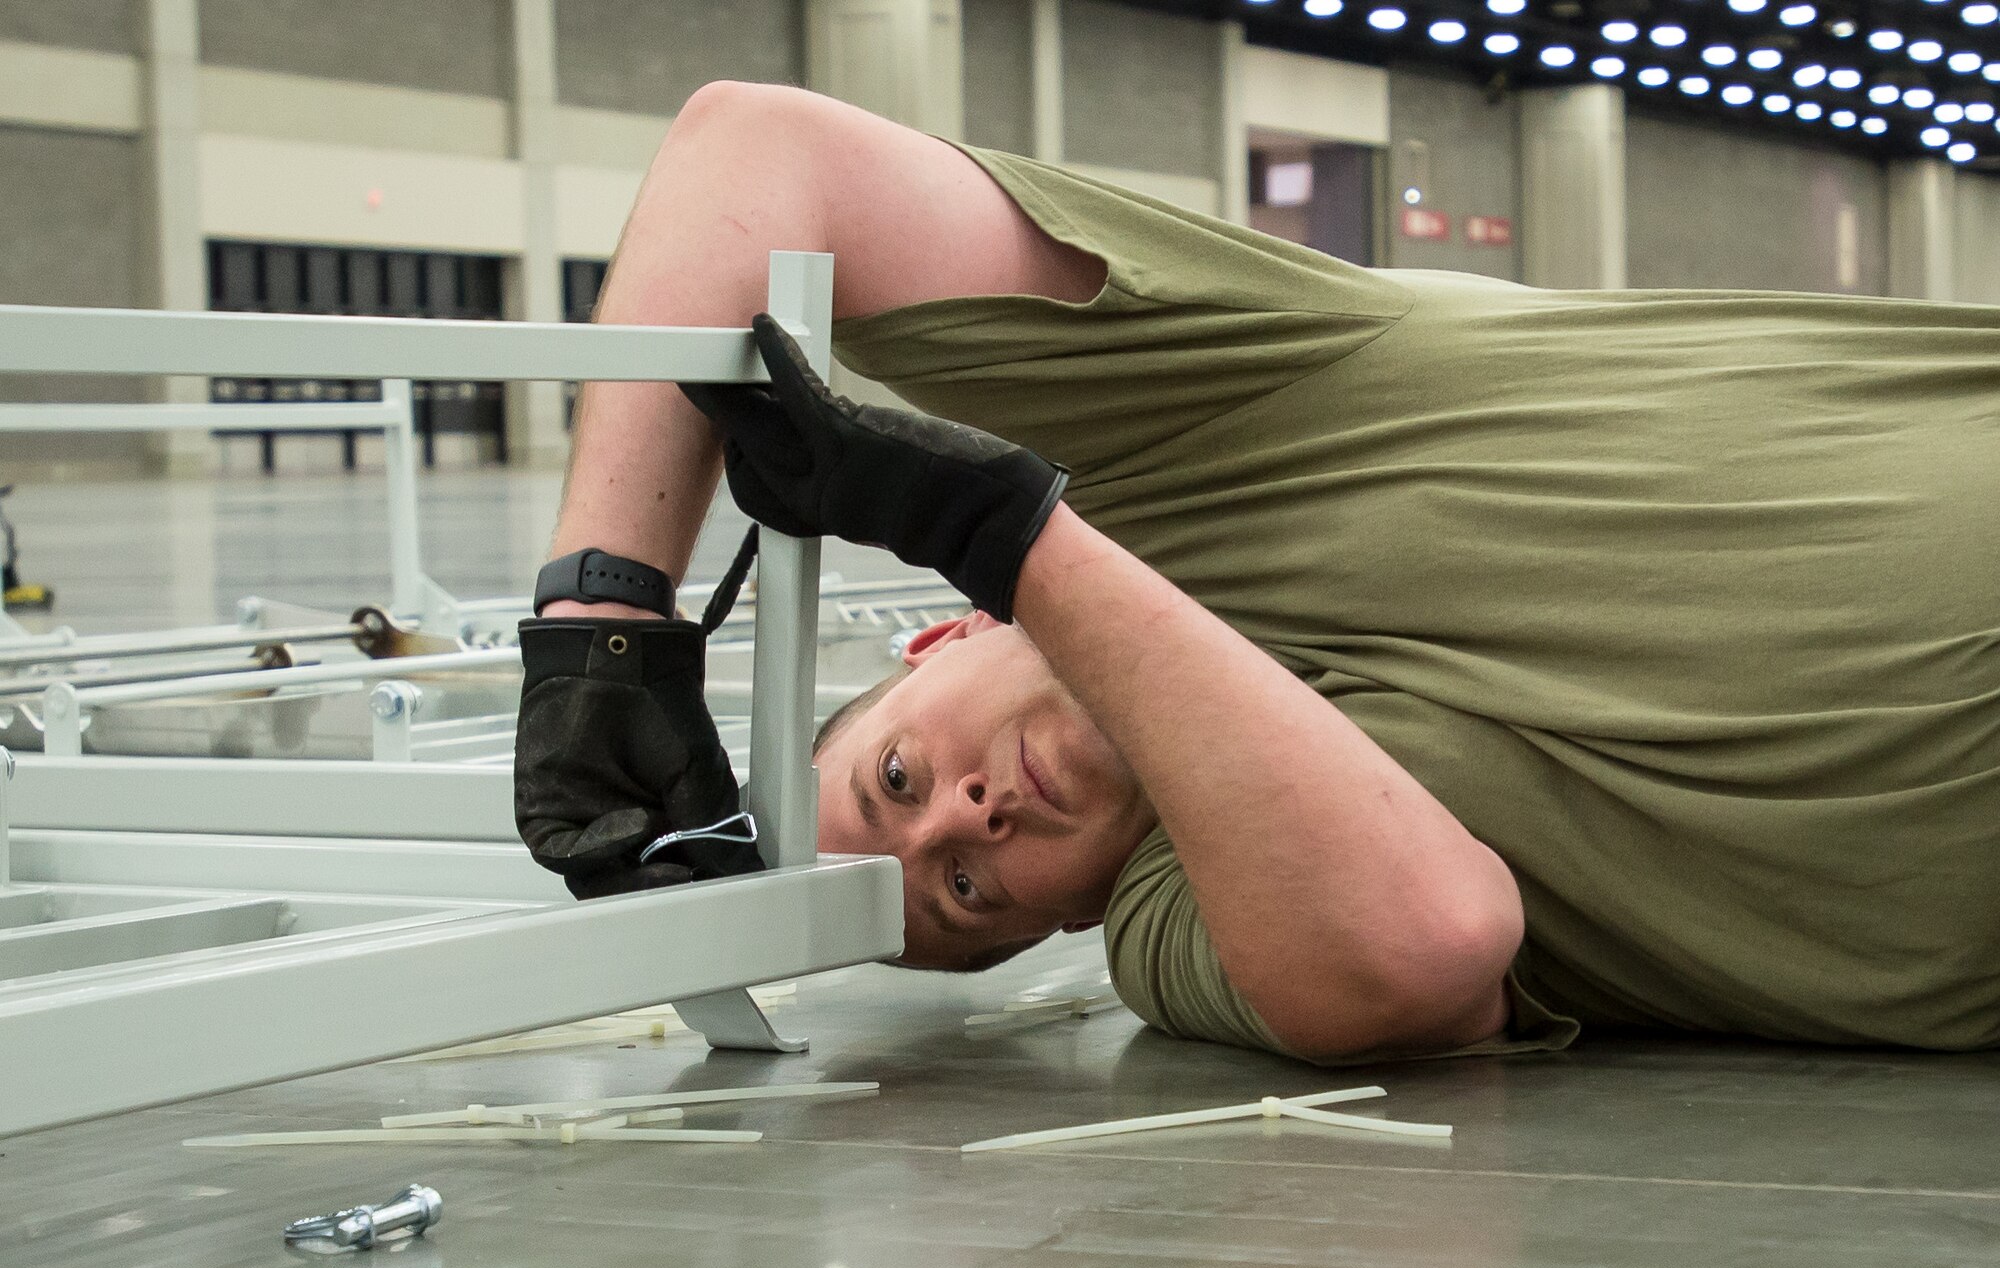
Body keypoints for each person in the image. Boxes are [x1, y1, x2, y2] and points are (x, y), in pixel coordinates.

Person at [514, 80, 2000, 1066]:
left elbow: (755, 151)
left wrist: (603, 627)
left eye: (902, 781)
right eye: (970, 889)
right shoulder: (1194, 922)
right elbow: (1430, 947)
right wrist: (1020, 544)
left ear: (935, 647)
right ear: (1066, 928)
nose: (969, 817)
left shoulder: (1212, 417)